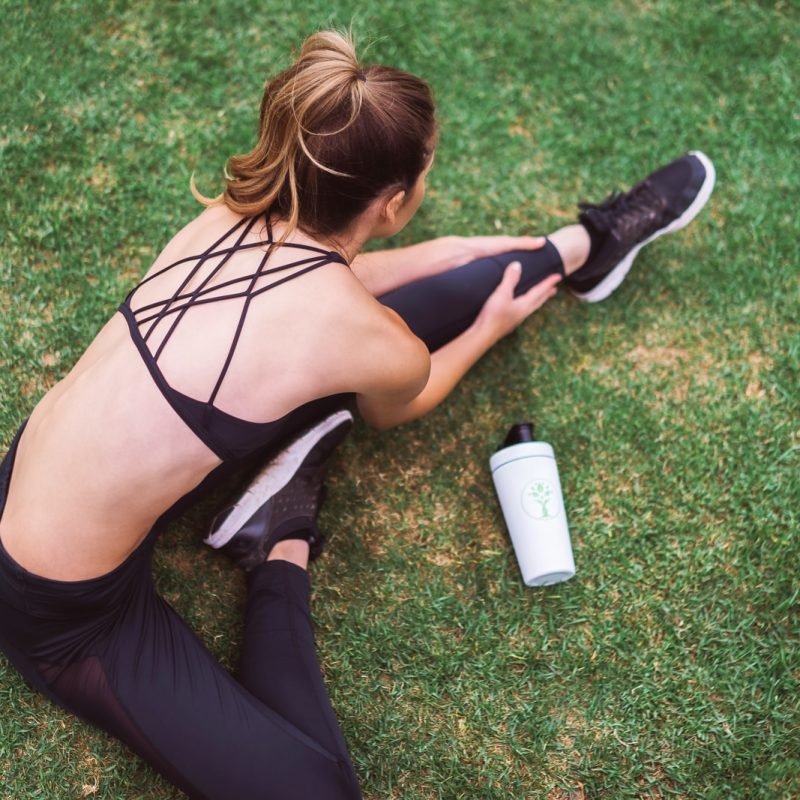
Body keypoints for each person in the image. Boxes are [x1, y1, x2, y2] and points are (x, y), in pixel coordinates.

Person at [0, 29, 714, 800]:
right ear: (395, 200)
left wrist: (455, 251)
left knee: (363, 327)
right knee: (322, 791)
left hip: (26, 482)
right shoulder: (354, 334)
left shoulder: (227, 220)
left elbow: (336, 279)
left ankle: (586, 246)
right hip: (61, 612)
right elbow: (406, 393)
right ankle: (278, 542)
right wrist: (486, 329)